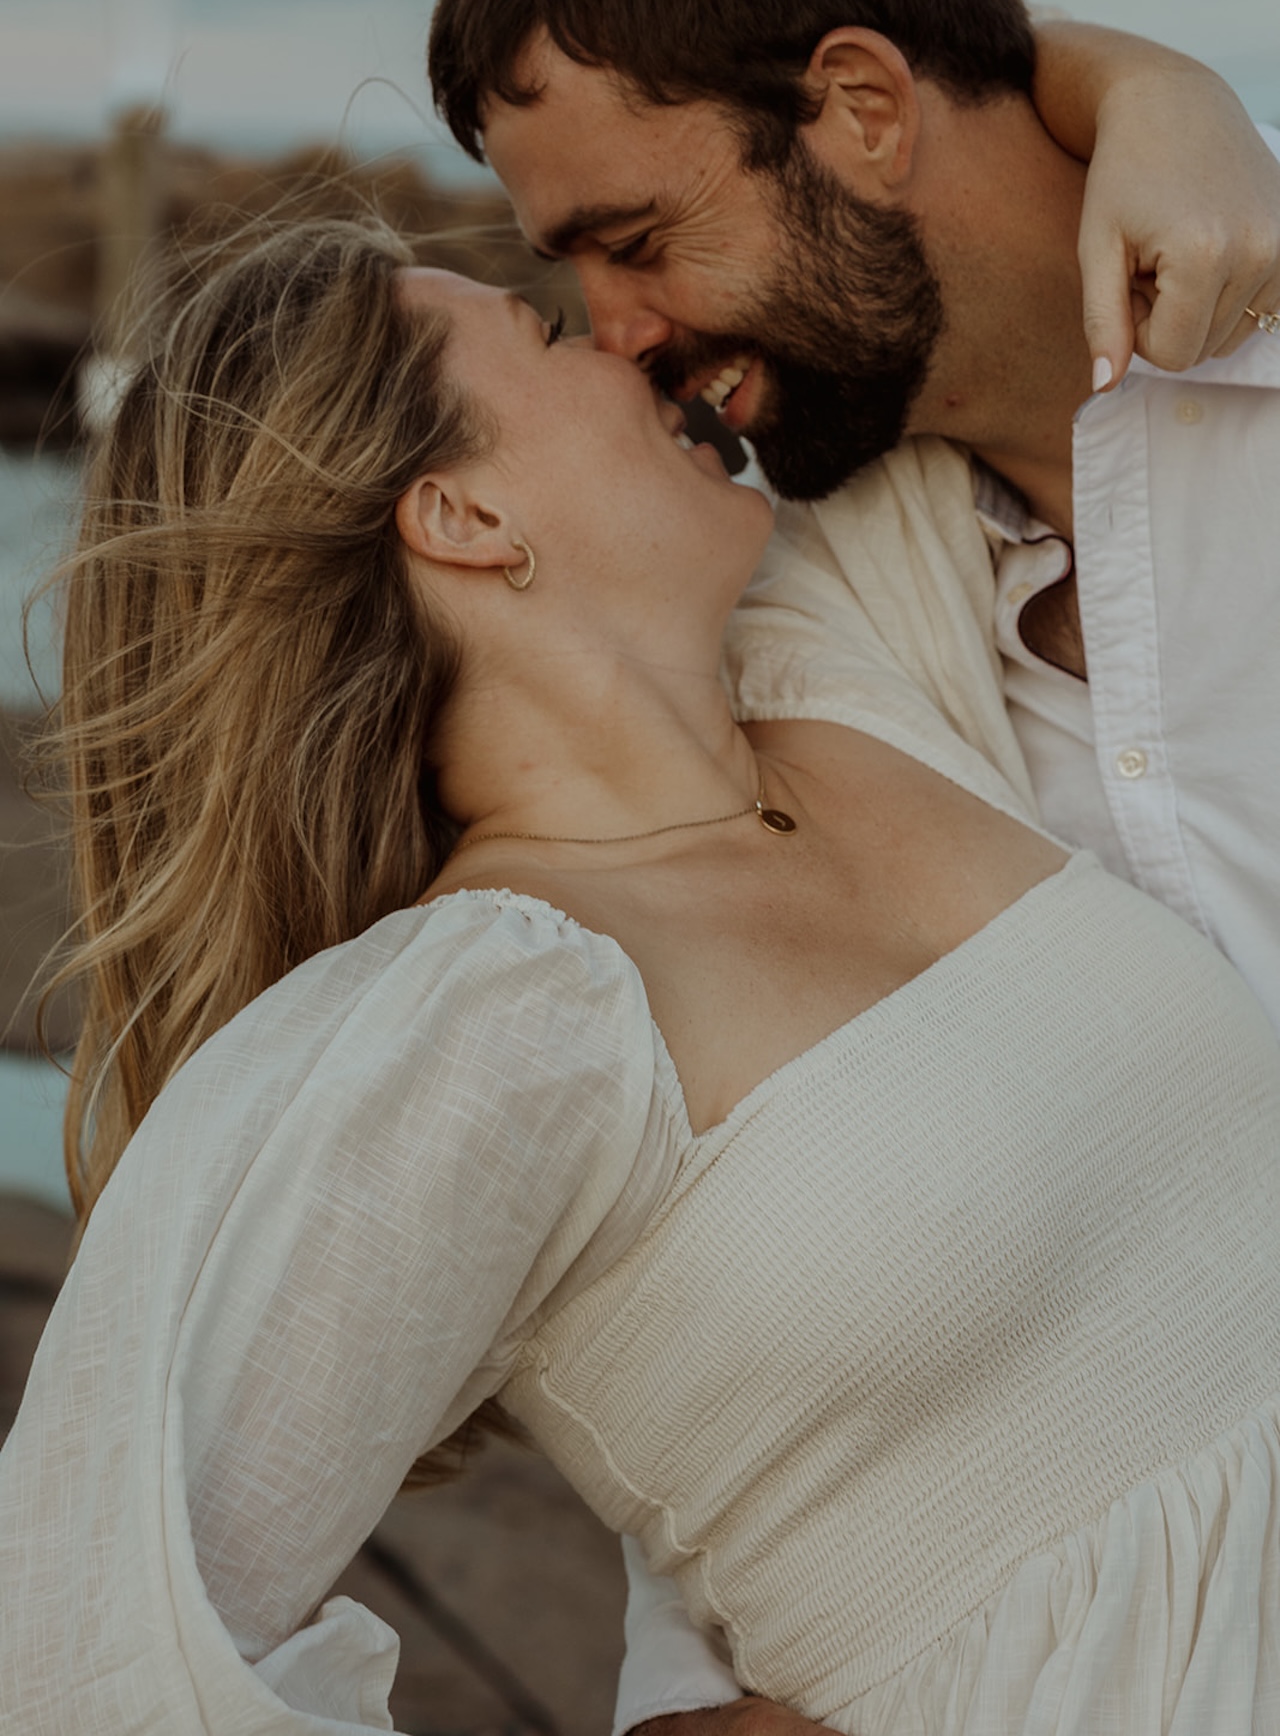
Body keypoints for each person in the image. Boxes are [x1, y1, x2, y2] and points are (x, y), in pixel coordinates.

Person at [3, 215, 1280, 1733]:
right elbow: (78, 1661)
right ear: (461, 515)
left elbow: (938, 201)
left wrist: (1163, 101)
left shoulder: (841, 664)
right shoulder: (494, 1018)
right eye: (547, 335)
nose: (623, 340)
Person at [425, 0, 1280, 1717]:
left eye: (633, 243)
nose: (625, 339)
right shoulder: (802, 620)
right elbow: (790, 1308)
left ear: (863, 107)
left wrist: (1149, 84)